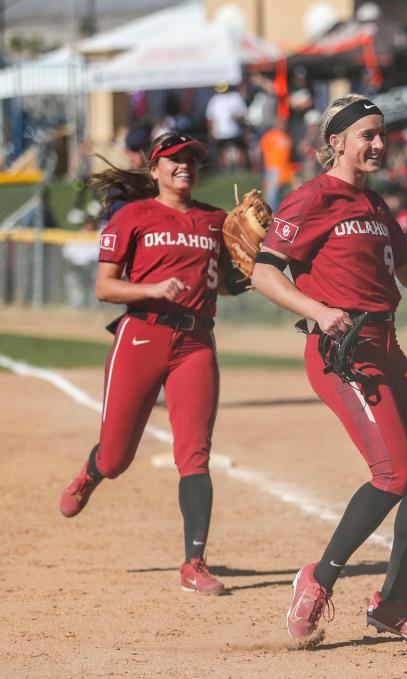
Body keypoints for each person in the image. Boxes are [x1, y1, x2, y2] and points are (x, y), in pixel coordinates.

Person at [251, 94, 407, 644]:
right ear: (335, 141)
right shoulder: (312, 199)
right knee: (394, 472)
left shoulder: (376, 206)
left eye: (382, 134)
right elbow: (265, 272)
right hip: (340, 352)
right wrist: (317, 311)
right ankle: (317, 580)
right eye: (367, 134)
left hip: (386, 345)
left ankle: (391, 602)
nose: (379, 144)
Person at [58, 132, 251, 596]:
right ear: (155, 169)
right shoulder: (132, 216)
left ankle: (194, 562)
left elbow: (221, 283)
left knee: (195, 454)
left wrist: (247, 274)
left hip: (196, 343)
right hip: (142, 334)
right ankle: (91, 472)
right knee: (117, 455)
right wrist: (151, 289)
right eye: (175, 159)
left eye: (192, 160)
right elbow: (105, 288)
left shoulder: (215, 220)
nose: (185, 165)